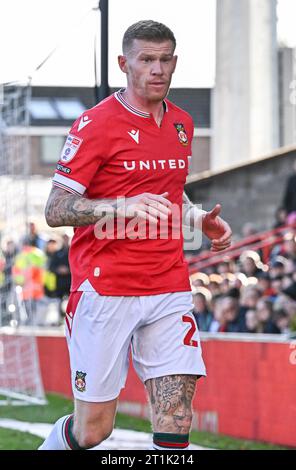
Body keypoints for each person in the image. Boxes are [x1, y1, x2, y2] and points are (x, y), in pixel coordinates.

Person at [39, 20, 232, 451]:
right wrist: (118, 205)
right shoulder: (95, 125)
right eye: (147, 59)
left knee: (177, 416)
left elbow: (169, 197)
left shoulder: (182, 124)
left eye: (165, 60)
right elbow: (54, 209)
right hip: (106, 288)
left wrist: (200, 219)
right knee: (93, 431)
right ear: (125, 64)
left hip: (168, 284)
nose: (157, 69)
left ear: (175, 63)